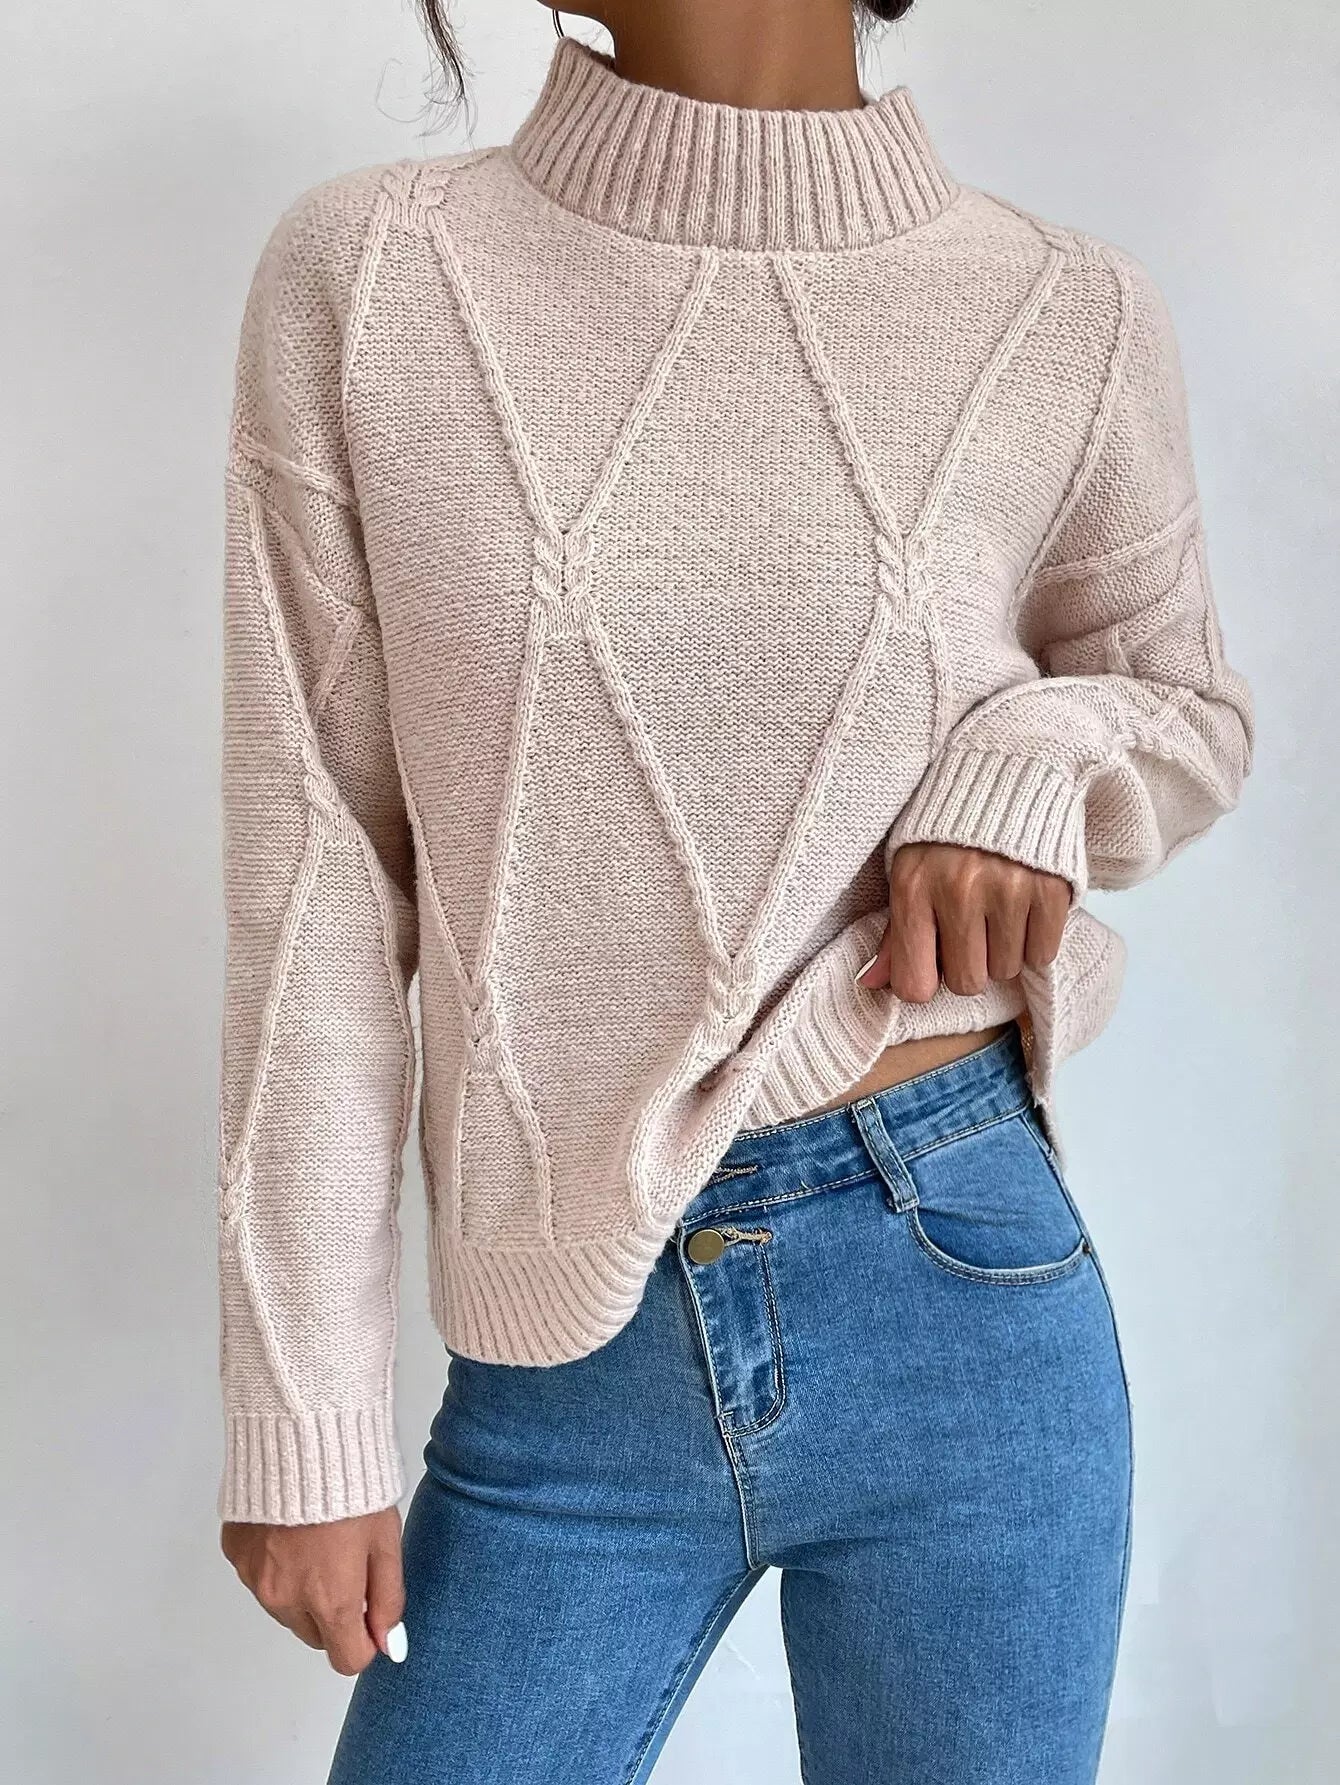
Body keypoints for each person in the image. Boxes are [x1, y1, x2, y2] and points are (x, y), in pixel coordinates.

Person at [214, 2, 1254, 1780]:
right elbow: (315, 879)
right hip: (559, 1363)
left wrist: (1031, 765)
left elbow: (1185, 709)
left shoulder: (1065, 313)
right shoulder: (371, 277)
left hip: (958, 1276)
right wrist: (303, 1410)